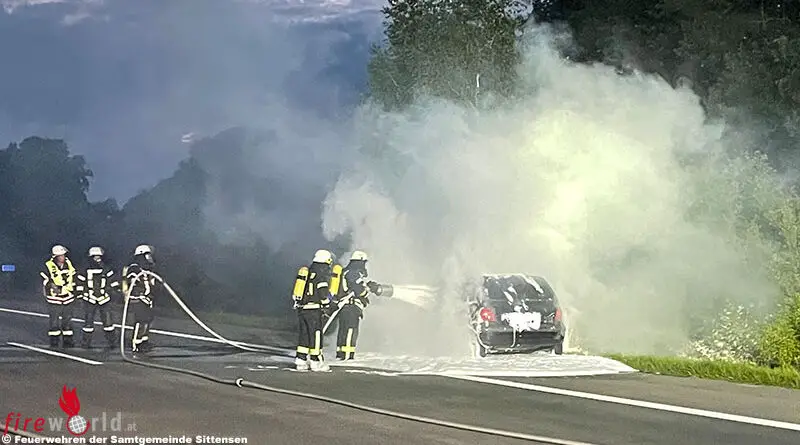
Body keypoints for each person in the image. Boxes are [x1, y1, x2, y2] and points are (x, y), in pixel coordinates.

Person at [334, 250, 385, 360]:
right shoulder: (353, 272)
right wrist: (367, 290)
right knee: (350, 330)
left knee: (343, 330)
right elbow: (358, 290)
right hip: (351, 307)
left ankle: (340, 354)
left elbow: (354, 286)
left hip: (345, 307)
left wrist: (367, 285)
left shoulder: (347, 271)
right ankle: (347, 356)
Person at [292, 249, 333, 371]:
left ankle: (301, 360)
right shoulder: (321, 273)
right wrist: (328, 303)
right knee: (316, 335)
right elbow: (323, 293)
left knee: (304, 335)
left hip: (302, 309)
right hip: (314, 310)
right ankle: (316, 362)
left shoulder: (309, 271)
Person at [75, 246, 119, 349]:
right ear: (91, 257)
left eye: (99, 257)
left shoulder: (106, 269)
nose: (97, 259)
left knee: (108, 323)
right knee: (88, 323)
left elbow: (113, 281)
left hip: (104, 299)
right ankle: (86, 343)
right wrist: (80, 295)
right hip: (89, 299)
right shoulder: (85, 269)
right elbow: (80, 282)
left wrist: (116, 291)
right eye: (95, 257)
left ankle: (112, 342)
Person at [122, 244, 162, 353]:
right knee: (140, 321)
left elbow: (151, 283)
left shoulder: (148, 268)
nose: (150, 257)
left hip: (147, 299)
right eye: (147, 255)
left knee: (148, 320)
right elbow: (133, 281)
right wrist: (141, 293)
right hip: (138, 299)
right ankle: (136, 343)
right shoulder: (134, 268)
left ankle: (144, 341)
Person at [40, 245, 77, 348]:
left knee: (67, 320)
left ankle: (68, 341)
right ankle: (54, 341)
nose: (63, 257)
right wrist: (51, 285)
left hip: (68, 297)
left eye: (63, 255)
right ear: (55, 256)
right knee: (54, 321)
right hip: (54, 298)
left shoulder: (69, 264)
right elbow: (44, 278)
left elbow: (74, 277)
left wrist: (76, 291)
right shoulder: (48, 265)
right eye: (60, 256)